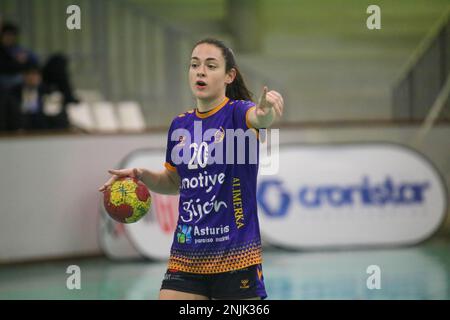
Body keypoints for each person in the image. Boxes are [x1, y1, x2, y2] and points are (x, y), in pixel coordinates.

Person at [99, 38, 284, 300]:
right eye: (195, 65)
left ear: (229, 76)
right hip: (188, 253)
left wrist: (265, 111)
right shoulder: (180, 125)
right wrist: (141, 175)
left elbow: (260, 117)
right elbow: (174, 182)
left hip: (236, 255)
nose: (200, 71)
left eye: (211, 66)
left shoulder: (237, 113)